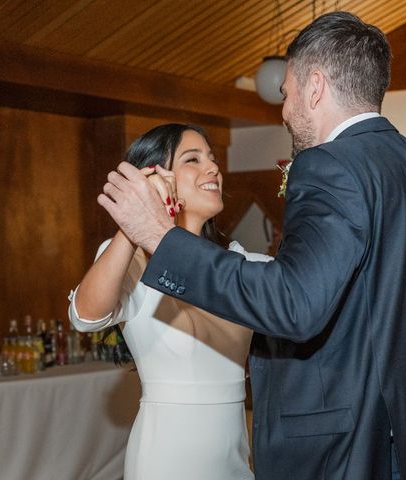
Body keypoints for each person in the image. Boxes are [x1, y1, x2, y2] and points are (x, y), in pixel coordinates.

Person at [98, 11, 406, 480]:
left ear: (315, 88)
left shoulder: (329, 164)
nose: (285, 111)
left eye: (286, 94)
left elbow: (296, 303)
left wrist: (158, 237)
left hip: (345, 446)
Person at [68, 124, 270, 480]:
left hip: (235, 455)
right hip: (165, 458)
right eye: (193, 159)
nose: (213, 168)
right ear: (155, 176)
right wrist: (134, 224)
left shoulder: (242, 264)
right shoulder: (131, 259)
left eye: (213, 158)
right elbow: (85, 316)